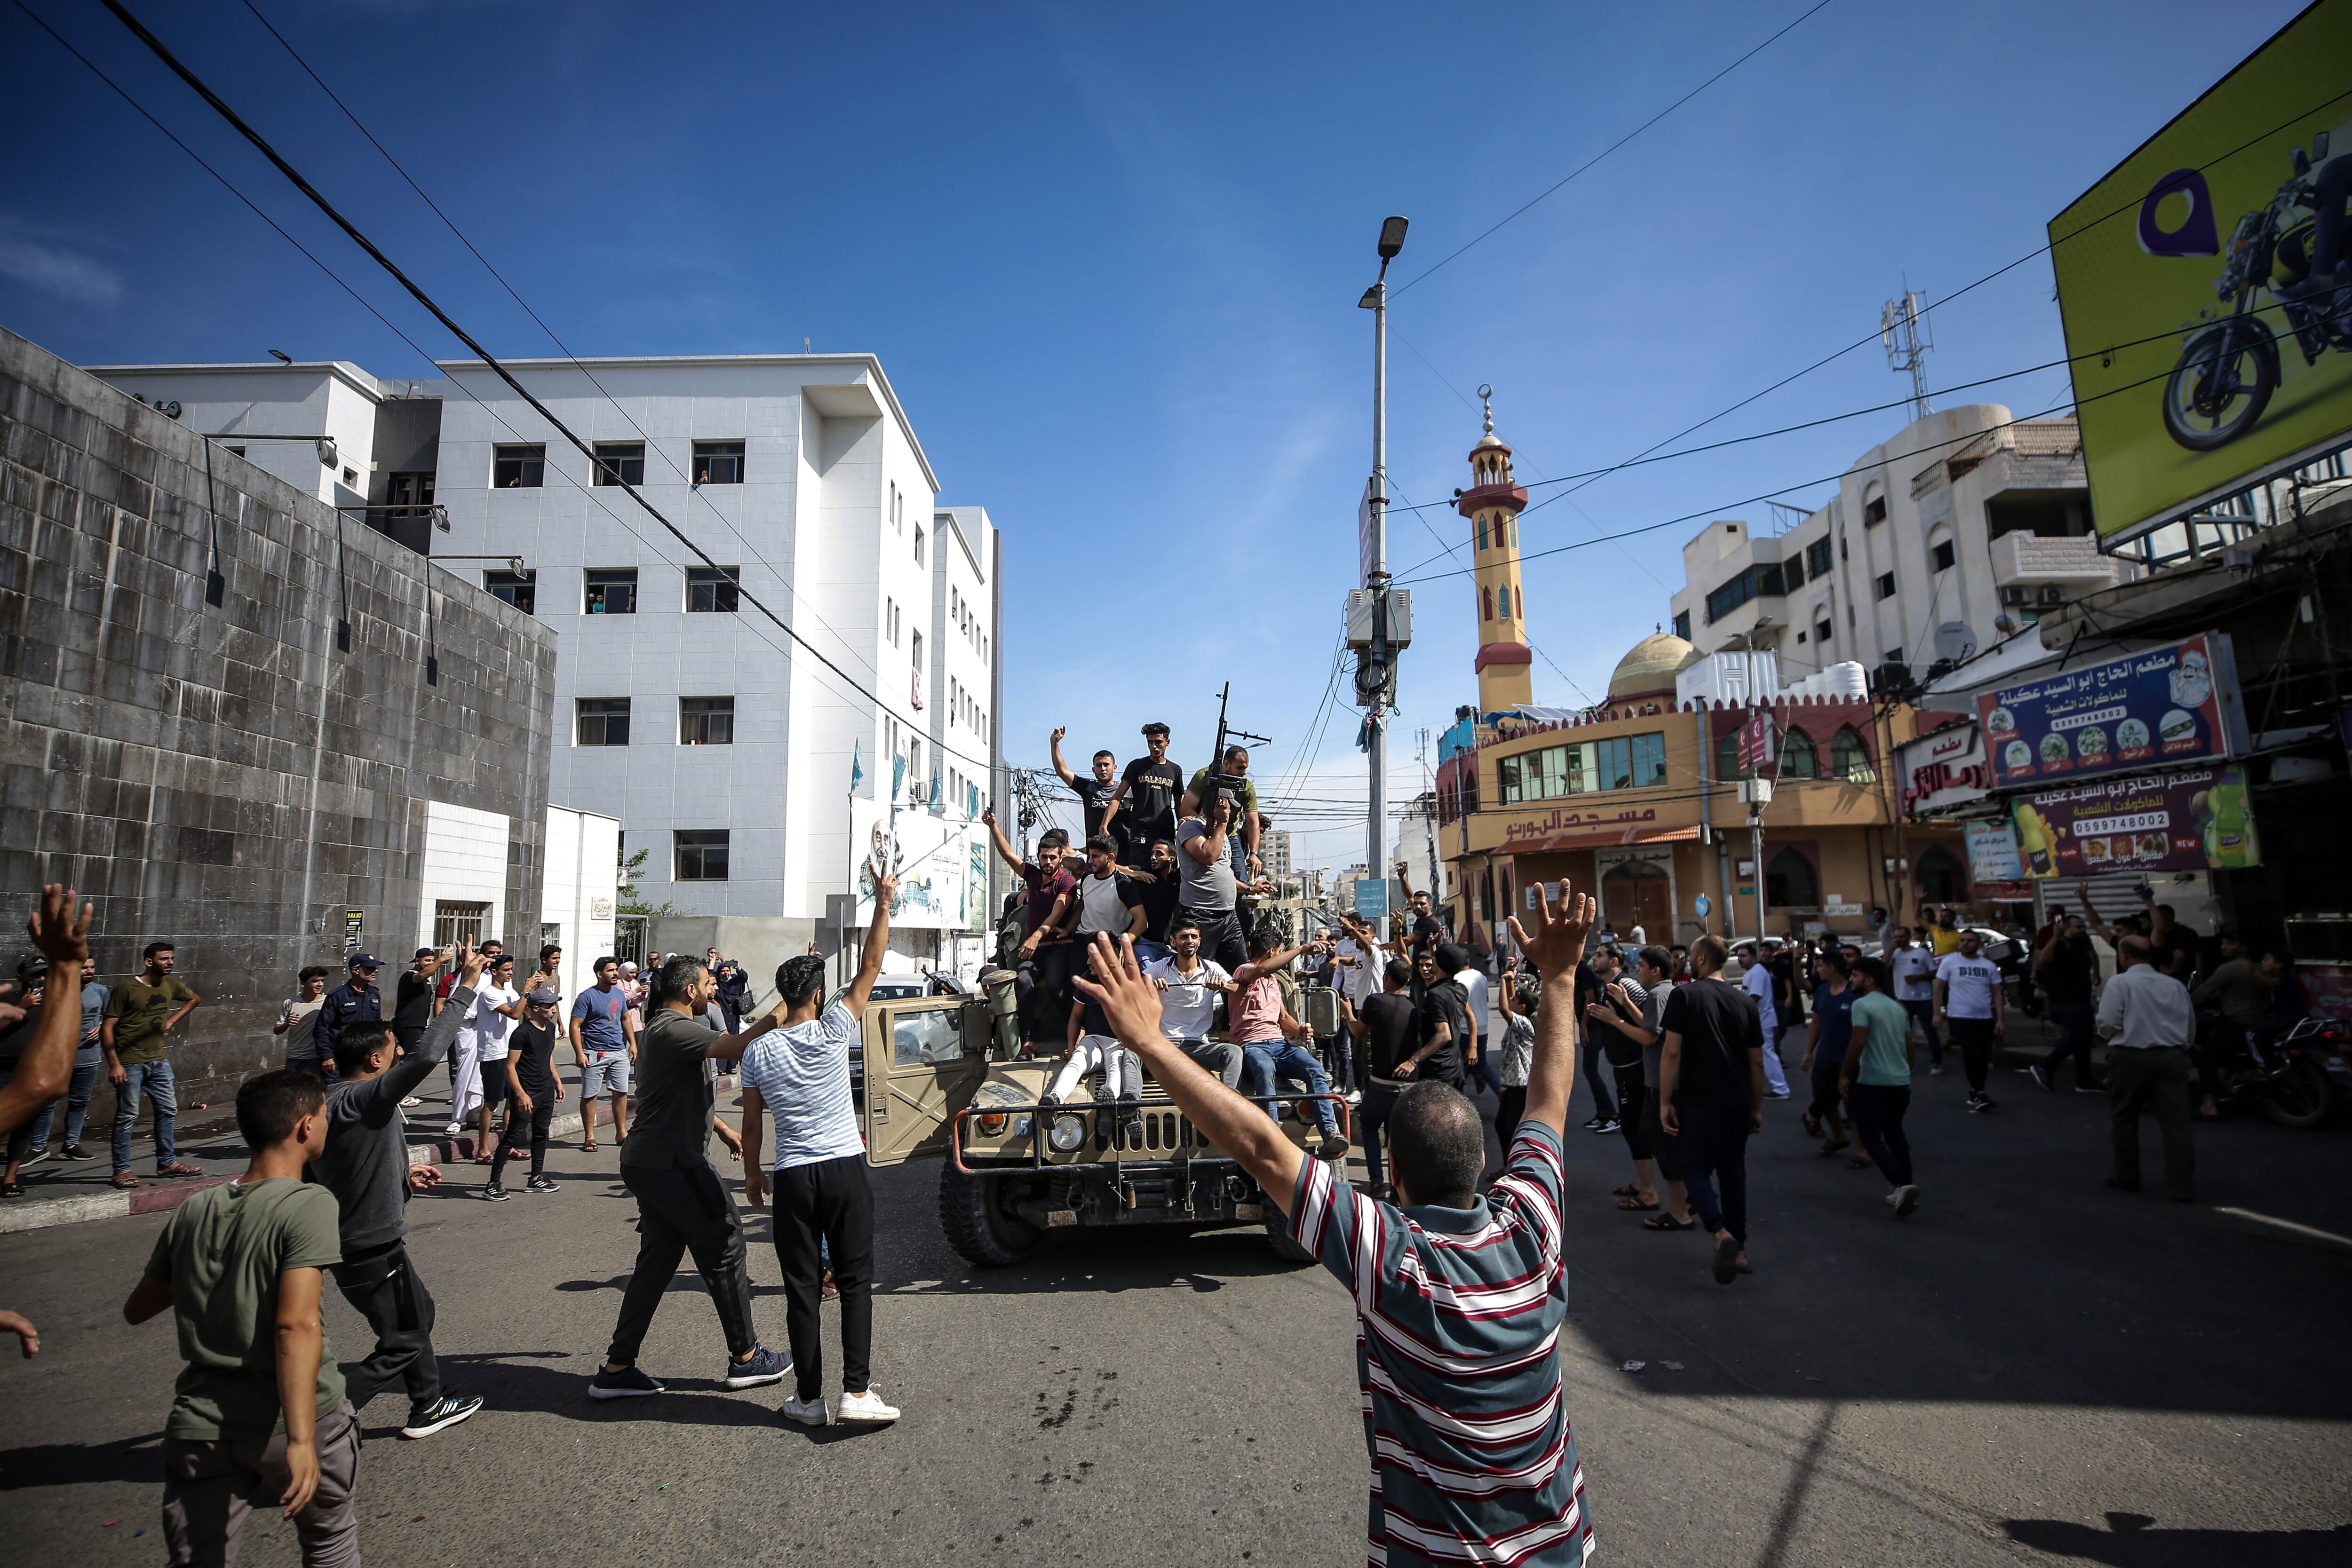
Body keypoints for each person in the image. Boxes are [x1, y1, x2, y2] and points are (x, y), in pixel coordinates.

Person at [1066, 878, 1601, 1568]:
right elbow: (1549, 1101)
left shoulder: (1394, 1256)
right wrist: (1560, 982)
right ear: (1482, 1165)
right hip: (1562, 1548)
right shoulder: (1533, 1224)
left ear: (1395, 1176)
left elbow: (1262, 1148)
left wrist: (1144, 1041)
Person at [121, 1069, 360, 1568]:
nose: (326, 1123)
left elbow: (138, 1308)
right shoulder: (308, 1202)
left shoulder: (196, 1208)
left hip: (201, 1424)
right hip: (291, 1417)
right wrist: (299, 1439)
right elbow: (295, 1325)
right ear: (303, 1127)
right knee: (329, 1542)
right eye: (322, 1115)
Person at [594, 953, 795, 1402]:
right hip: (671, 1163)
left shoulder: (671, 1030)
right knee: (724, 1242)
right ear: (689, 991)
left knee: (657, 1261)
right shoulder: (673, 1027)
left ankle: (617, 1368)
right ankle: (746, 1358)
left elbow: (673, 1094)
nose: (712, 990)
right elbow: (738, 1047)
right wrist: (785, 1007)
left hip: (655, 1160)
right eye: (707, 984)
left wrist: (722, 1130)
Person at [739, 876, 903, 1426]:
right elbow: (872, 965)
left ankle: (808, 1400)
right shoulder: (834, 1028)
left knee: (801, 1290)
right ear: (816, 996)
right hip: (842, 1168)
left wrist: (753, 1176)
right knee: (855, 1282)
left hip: (791, 1176)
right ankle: (856, 1393)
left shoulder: (758, 1050)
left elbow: (753, 1123)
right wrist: (882, 903)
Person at [316, 945, 486, 1441]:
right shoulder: (367, 1095)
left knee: (412, 1320)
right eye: (392, 1048)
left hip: (358, 1238)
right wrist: (465, 987)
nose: (399, 1054)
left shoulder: (337, 1101)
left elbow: (348, 1162)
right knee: (405, 1335)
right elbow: (429, 1053)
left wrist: (403, 1173)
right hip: (369, 1244)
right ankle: (319, 1414)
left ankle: (427, 1403)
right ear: (374, 1059)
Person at [1659, 934, 1765, 1285]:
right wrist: (1757, 1107)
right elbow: (1756, 1064)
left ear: (1702, 960)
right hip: (1737, 1101)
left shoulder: (1684, 995)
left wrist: (1664, 1100)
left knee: (1693, 1167)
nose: (1687, 961)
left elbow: (1672, 1052)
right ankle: (1742, 1250)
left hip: (1699, 1100)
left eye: (1691, 955)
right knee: (1733, 1173)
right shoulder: (1744, 1002)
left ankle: (1721, 1233)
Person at [2098, 934, 2196, 1202]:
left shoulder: (2121, 983)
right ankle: (2182, 1186)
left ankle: (2127, 1175)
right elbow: (2189, 1026)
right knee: (2177, 1125)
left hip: (2131, 1055)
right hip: (2172, 1055)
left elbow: (2107, 1023)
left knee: (2125, 1117)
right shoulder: (2174, 985)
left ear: (2124, 956)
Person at [1232, 930, 1346, 1157]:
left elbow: (1283, 1019)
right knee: (1264, 1069)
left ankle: (1331, 1133)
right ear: (1273, 952)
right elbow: (1262, 969)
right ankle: (1272, 1135)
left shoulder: (1274, 982)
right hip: (1252, 1044)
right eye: (1281, 952)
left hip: (1279, 1044)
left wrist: (1300, 1030)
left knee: (1314, 1068)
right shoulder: (1243, 971)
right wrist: (1302, 949)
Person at [102, 940, 204, 1189]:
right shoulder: (126, 989)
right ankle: (122, 1170)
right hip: (130, 1062)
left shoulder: (170, 984)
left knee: (168, 1110)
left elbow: (194, 999)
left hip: (158, 1060)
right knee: (128, 1115)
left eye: (171, 958)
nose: (170, 963)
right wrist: (114, 1064)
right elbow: (107, 1028)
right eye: (164, 959)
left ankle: (167, 1162)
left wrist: (171, 1021)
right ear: (149, 962)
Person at [983, 807, 1078, 1045]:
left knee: (1057, 984)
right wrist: (993, 826)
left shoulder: (1067, 882)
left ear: (1060, 859)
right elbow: (1008, 855)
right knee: (1023, 981)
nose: (1048, 862)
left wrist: (1035, 936)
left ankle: (1074, 1033)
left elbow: (1057, 913)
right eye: (1044, 857)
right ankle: (1027, 1039)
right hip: (1034, 949)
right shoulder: (1033, 876)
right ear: (1039, 857)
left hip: (1058, 945)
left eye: (1052, 857)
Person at [1622, 946, 1693, 1232]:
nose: (1637, 969)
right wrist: (1626, 1004)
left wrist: (1614, 1020)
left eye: (1641, 965)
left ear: (1656, 970)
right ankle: (1689, 1201)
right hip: (1661, 1082)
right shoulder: (1665, 993)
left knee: (1663, 1146)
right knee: (1658, 1139)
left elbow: (1650, 1038)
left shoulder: (1658, 994)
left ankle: (1681, 1211)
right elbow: (1653, 1026)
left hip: (1662, 1084)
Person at [1843, 957, 1920, 1217]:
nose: (1852, 980)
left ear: (1869, 979)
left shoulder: (1862, 1005)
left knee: (1868, 1134)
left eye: (1855, 976)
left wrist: (1845, 1074)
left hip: (1872, 1080)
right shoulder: (1898, 1008)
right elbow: (1910, 1047)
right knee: (1895, 1133)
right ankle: (1905, 1186)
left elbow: (1858, 1042)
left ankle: (1900, 1182)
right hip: (1900, 1081)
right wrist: (1907, 1070)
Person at [1338, 958, 1418, 1200]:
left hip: (1380, 1085)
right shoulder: (1414, 1007)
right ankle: (1398, 1188)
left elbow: (1357, 1031)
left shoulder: (1375, 1002)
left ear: (1387, 978)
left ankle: (1376, 1181)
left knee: (1370, 1127)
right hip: (1408, 1086)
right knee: (1398, 1138)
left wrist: (1348, 1012)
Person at [1584, 946, 1656, 1210]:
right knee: (1632, 1126)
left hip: (1635, 1067)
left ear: (1614, 961)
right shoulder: (1609, 985)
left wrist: (1615, 1020)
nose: (1594, 959)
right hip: (1623, 1065)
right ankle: (1642, 1182)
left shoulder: (1626, 985)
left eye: (1600, 955)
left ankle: (1649, 1192)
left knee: (1635, 1127)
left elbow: (1652, 1021)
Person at [20, 954, 107, 1164]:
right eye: (83, 968)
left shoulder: (100, 991)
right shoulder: (53, 991)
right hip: (57, 1058)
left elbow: (110, 1016)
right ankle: (39, 1147)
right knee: (46, 1104)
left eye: (91, 967)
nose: (89, 971)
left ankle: (71, 1145)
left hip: (88, 1056)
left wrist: (102, 1026)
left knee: (80, 1103)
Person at [487, 988, 567, 1198]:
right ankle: (493, 1183)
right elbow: (510, 1066)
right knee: (512, 1135)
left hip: (546, 1089)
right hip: (527, 1091)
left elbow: (547, 1056)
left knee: (541, 1134)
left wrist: (557, 1081)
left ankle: (536, 1178)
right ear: (535, 1009)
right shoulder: (522, 1033)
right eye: (549, 1006)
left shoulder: (549, 1028)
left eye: (554, 1005)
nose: (553, 1010)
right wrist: (521, 1094)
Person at [1140, 922, 1241, 1086]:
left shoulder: (1212, 968)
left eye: (1194, 937)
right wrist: (1149, 987)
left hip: (1198, 1046)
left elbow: (1240, 990)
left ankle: (1230, 1100)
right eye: (1184, 937)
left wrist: (1224, 985)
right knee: (1131, 1054)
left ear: (1200, 941)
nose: (1190, 941)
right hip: (1164, 1045)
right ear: (1173, 942)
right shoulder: (1160, 967)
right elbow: (1133, 988)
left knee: (1233, 1052)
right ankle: (1129, 1102)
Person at [1043, 982, 1145, 1139]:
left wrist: (1132, 1034)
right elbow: (1076, 1016)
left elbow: (1143, 1014)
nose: (1089, 962)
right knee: (1076, 1061)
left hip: (1117, 1043)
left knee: (1117, 1067)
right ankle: (1054, 1100)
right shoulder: (1087, 981)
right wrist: (1071, 1046)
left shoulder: (1128, 982)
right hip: (1093, 1040)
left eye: (1094, 957)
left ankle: (1108, 1106)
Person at [449, 954, 523, 1151]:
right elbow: (514, 1013)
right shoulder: (489, 993)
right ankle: (483, 1149)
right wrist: (527, 993)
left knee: (511, 1101)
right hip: (493, 1053)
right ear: (494, 972)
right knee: (492, 1102)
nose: (510, 973)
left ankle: (508, 1146)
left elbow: (525, 1009)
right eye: (506, 970)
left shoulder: (510, 991)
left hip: (509, 1051)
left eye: (510, 969)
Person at [570, 956, 638, 1154]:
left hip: (618, 1051)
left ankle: (621, 1133)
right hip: (594, 1052)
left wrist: (633, 1044)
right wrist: (580, 1053)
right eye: (610, 970)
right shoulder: (587, 997)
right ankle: (590, 1136)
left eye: (616, 970)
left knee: (621, 1093)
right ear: (600, 974)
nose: (615, 973)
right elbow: (575, 1026)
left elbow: (625, 1018)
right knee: (591, 1095)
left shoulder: (618, 995)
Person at [1174, 795, 1249, 973]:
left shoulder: (1221, 832)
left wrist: (1249, 889)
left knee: (1240, 974)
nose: (1230, 813)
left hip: (1229, 915)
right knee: (1196, 974)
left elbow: (1222, 873)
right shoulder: (1190, 827)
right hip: (1201, 914)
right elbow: (1208, 856)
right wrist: (1222, 823)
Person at [1933, 928, 2005, 1112]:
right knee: (1972, 1054)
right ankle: (1980, 1092)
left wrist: (2000, 1020)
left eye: (1970, 941)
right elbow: (1939, 988)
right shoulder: (1950, 962)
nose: (1966, 944)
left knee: (1983, 1056)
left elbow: (1998, 992)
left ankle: (1976, 1090)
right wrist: (1937, 1013)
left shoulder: (1988, 966)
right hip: (1960, 1016)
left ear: (1979, 944)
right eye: (1963, 940)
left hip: (1984, 1017)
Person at [2032, 913, 2103, 1094]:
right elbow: (2043, 959)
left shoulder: (2081, 943)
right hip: (2064, 999)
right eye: (2078, 927)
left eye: (2083, 927)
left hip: (2082, 997)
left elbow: (2092, 956)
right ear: (2068, 928)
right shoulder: (2060, 944)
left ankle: (2085, 1080)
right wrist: (2056, 937)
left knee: (2085, 1039)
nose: (2082, 930)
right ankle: (2045, 1067)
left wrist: (2096, 973)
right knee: (2078, 1037)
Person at [1800, 950, 1859, 1160]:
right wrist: (1809, 1051)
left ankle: (1863, 1151)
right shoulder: (1823, 991)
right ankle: (1839, 1137)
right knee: (1825, 1100)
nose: (1818, 970)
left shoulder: (1855, 993)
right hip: (1826, 1056)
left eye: (1820, 966)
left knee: (1854, 1105)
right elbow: (1817, 1022)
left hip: (1851, 1058)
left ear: (1831, 968)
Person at [1107, 721, 1183, 863]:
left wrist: (1183, 828)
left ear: (1168, 742)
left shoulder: (1175, 770)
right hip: (1141, 831)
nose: (1154, 747)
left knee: (1164, 877)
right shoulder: (1136, 766)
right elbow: (1117, 797)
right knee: (1138, 874)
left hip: (1166, 832)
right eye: (1150, 742)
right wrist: (1104, 826)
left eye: (1159, 742)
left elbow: (1179, 805)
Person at [1182, 744, 1262, 877]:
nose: (1244, 773)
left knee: (1240, 877)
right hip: (1202, 834)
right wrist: (1200, 823)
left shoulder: (1246, 786)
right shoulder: (1204, 777)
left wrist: (1254, 854)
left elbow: (1254, 822)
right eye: (1240, 768)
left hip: (1230, 835)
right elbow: (1186, 809)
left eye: (1246, 768)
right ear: (1226, 764)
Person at [310, 955, 385, 1085]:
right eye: (370, 968)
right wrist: (327, 1056)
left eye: (375, 967)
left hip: (366, 1057)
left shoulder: (374, 994)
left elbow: (377, 1025)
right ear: (355, 970)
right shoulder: (338, 995)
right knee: (335, 1094)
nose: (376, 970)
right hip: (340, 1057)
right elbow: (322, 1028)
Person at [1734, 941, 1793, 1100]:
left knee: (1768, 1055)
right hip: (1757, 1021)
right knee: (1751, 1055)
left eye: (1743, 956)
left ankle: (1781, 1088)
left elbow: (1754, 997)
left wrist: (1738, 1011)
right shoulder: (1753, 972)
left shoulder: (1757, 973)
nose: (1740, 959)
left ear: (1753, 957)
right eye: (1738, 956)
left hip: (1762, 1021)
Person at [1571, 951, 1619, 1133]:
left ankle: (1611, 1114)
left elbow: (1590, 998)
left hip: (1594, 1027)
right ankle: (1604, 1113)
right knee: (1589, 1070)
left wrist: (1583, 1027)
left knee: (1590, 1070)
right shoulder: (1580, 971)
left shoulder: (1583, 972)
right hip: (1592, 1026)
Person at [1050, 726, 1123, 844]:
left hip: (1124, 852)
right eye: (1099, 766)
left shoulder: (1126, 790)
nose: (1103, 769)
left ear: (1114, 768)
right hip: (1095, 852)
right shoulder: (1088, 788)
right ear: (1094, 770)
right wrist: (1055, 743)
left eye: (1106, 765)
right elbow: (1062, 771)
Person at [392, 949, 445, 1107]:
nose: (430, 964)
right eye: (427, 961)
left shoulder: (427, 980)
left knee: (412, 1060)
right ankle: (399, 1095)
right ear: (417, 961)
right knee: (405, 1061)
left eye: (431, 960)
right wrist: (441, 960)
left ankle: (402, 1093)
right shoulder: (410, 975)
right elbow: (421, 976)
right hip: (408, 1025)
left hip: (419, 1025)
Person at [1120, 839, 1183, 963]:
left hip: (1166, 945)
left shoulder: (1177, 879)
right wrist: (1134, 873)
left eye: (1159, 854)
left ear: (1171, 859)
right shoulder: (1144, 873)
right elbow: (1112, 868)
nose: (1153, 857)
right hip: (1143, 942)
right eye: (1152, 853)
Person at [1889, 927, 1942, 1072]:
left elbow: (1934, 972)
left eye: (1901, 937)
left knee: (1930, 1031)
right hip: (1902, 1000)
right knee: (1904, 1034)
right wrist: (1890, 950)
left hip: (1923, 999)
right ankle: (1907, 1063)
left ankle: (1937, 1062)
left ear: (1908, 937)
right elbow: (1882, 966)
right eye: (1896, 937)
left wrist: (1917, 978)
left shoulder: (1922, 953)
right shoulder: (1894, 954)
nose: (1898, 939)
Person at [275, 968, 331, 1072]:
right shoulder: (290, 1003)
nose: (320, 984)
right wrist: (287, 1024)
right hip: (294, 1058)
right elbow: (277, 1030)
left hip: (317, 1058)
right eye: (315, 981)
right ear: (303, 984)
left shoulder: (328, 1002)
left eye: (322, 981)